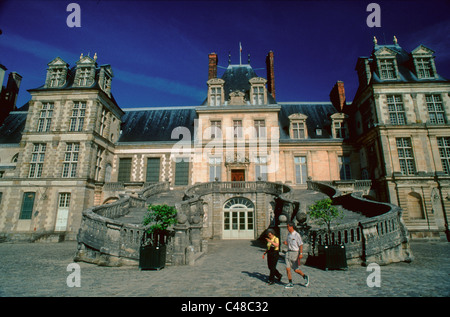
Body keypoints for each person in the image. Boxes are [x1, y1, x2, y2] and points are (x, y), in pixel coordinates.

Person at [283, 222, 309, 288]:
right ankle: (290, 283)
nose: (287, 228)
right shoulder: (289, 234)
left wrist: (301, 253)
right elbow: (288, 242)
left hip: (295, 253)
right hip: (288, 252)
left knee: (295, 270)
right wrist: (286, 243)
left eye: (288, 226)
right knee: (287, 268)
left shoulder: (297, 235)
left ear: (291, 227)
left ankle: (305, 276)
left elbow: (300, 244)